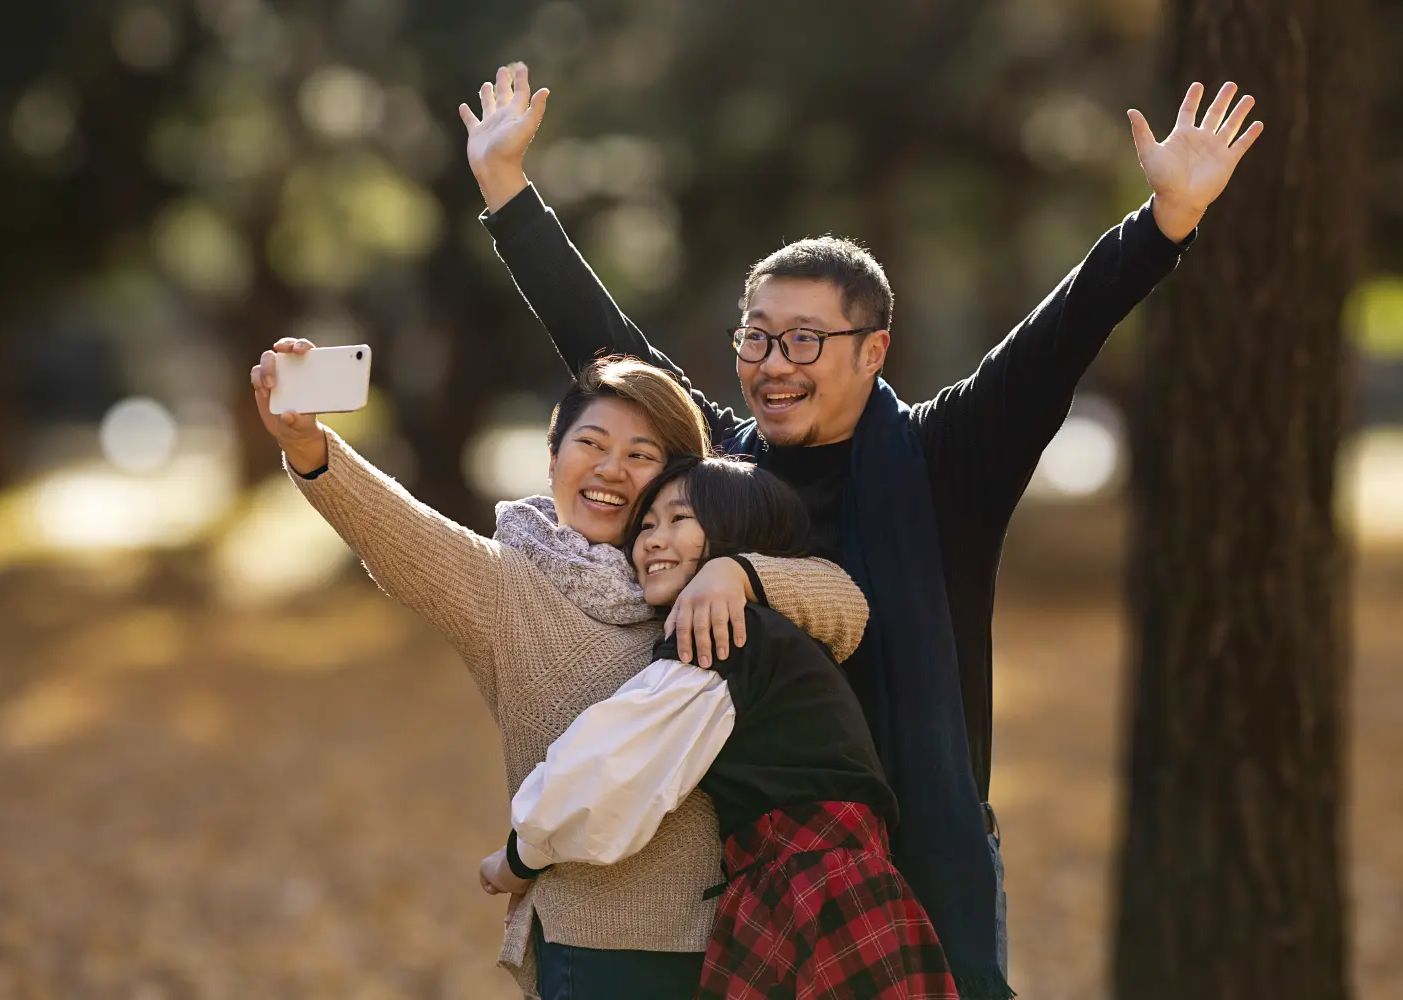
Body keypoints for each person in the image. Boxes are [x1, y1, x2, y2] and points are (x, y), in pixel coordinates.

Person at [459, 63, 1264, 998]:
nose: (773, 363)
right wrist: (506, 190)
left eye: (805, 339)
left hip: (926, 866)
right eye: (756, 336)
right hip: (754, 884)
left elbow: (1058, 338)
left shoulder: (944, 460)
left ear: (873, 349)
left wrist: (1163, 221)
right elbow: (606, 343)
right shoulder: (719, 470)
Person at [250, 345, 869, 999]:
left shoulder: (697, 570)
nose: (611, 469)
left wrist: (737, 573)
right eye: (592, 444)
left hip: (749, 941)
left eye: (641, 455)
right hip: (602, 951)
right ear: (553, 459)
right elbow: (395, 531)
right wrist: (310, 447)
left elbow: (846, 609)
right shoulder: (509, 590)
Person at [480, 455, 958, 999]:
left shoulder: (723, 632)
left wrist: (521, 856)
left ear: (736, 533)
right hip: (823, 880)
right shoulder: (771, 633)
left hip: (813, 891)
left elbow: (614, 767)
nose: (653, 541)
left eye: (679, 519)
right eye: (647, 525)